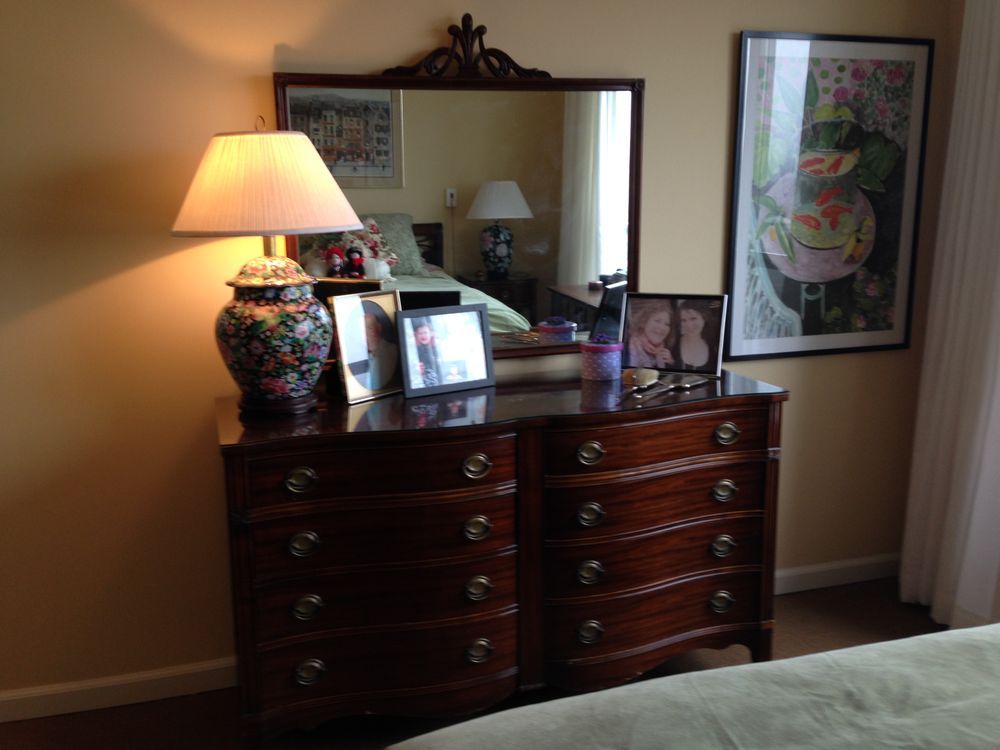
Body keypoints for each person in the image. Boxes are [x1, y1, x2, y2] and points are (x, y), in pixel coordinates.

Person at [348, 301, 398, 391]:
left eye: (369, 328)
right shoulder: (364, 356)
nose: (366, 335)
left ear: (379, 328)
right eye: (362, 331)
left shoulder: (392, 351)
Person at [626, 299, 676, 369]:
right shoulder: (626, 349)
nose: (662, 327)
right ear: (644, 322)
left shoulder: (666, 351)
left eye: (667, 324)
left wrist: (671, 363)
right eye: (657, 321)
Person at [676, 299, 718, 373]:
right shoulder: (673, 344)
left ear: (704, 317)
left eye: (693, 318)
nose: (689, 325)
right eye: (683, 320)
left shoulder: (714, 348)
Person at [411, 318, 442, 388]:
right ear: (416, 335)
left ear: (431, 334)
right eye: (420, 333)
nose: (423, 335)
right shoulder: (416, 349)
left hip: (435, 379)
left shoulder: (434, 348)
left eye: (425, 332)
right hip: (424, 379)